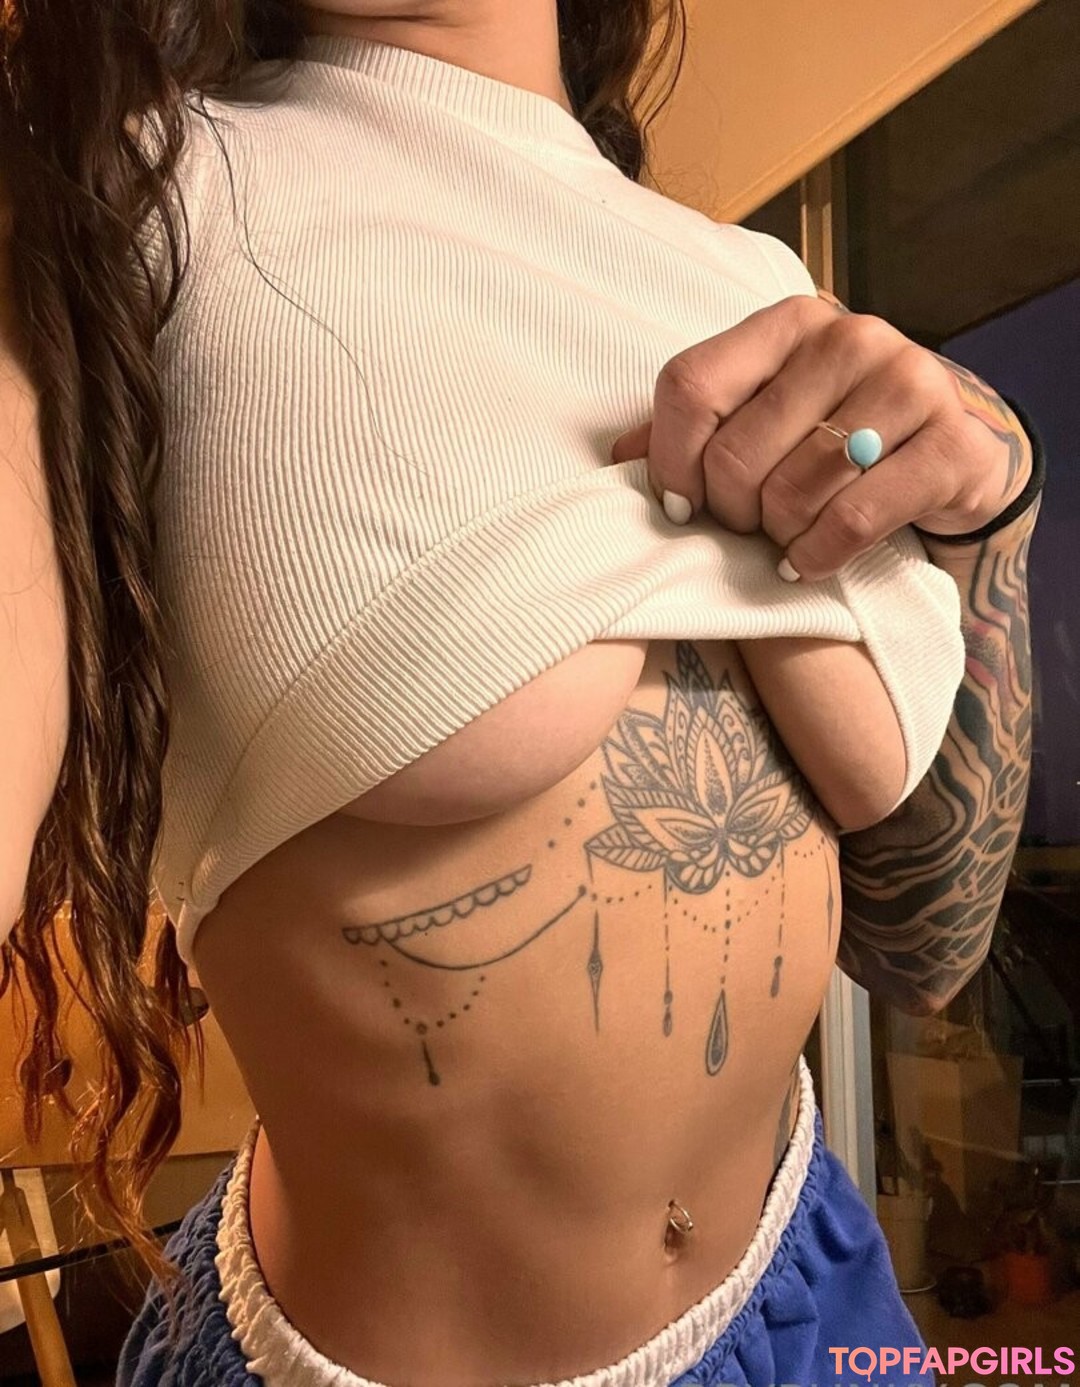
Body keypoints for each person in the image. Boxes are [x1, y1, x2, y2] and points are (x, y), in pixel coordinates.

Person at [0, 1, 1040, 1384]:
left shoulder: (748, 276)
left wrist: (989, 520)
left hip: (815, 1294)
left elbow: (927, 952)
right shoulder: (109, 209)